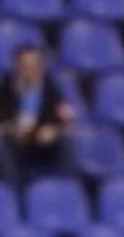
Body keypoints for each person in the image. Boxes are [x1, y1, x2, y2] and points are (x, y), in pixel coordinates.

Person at [0, 45, 73, 181]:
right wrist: (12, 129)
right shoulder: (5, 87)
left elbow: (65, 117)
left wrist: (55, 130)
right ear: (17, 66)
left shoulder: (52, 87)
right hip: (15, 140)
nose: (30, 69)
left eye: (34, 65)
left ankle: (66, 186)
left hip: (42, 139)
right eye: (25, 65)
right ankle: (14, 191)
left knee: (67, 140)